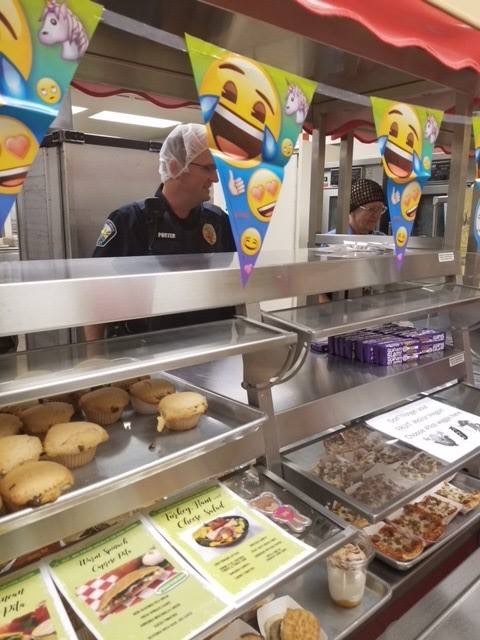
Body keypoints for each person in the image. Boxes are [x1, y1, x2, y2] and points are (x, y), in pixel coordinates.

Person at [85, 123, 236, 341]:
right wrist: (95, 360)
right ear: (176, 168)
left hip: (209, 351)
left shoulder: (218, 221)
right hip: (145, 356)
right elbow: (96, 295)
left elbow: (235, 284)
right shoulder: (131, 221)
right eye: (207, 168)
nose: (215, 178)